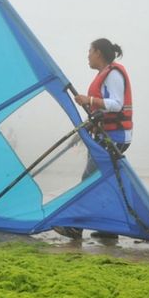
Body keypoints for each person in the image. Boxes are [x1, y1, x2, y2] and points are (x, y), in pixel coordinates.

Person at [56, 38, 133, 239]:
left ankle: (75, 228)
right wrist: (90, 124)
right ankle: (110, 229)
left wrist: (88, 100)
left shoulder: (113, 74)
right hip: (108, 134)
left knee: (88, 180)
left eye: (90, 51)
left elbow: (116, 104)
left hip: (114, 137)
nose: (87, 55)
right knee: (102, 181)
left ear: (98, 52)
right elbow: (104, 110)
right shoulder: (103, 74)